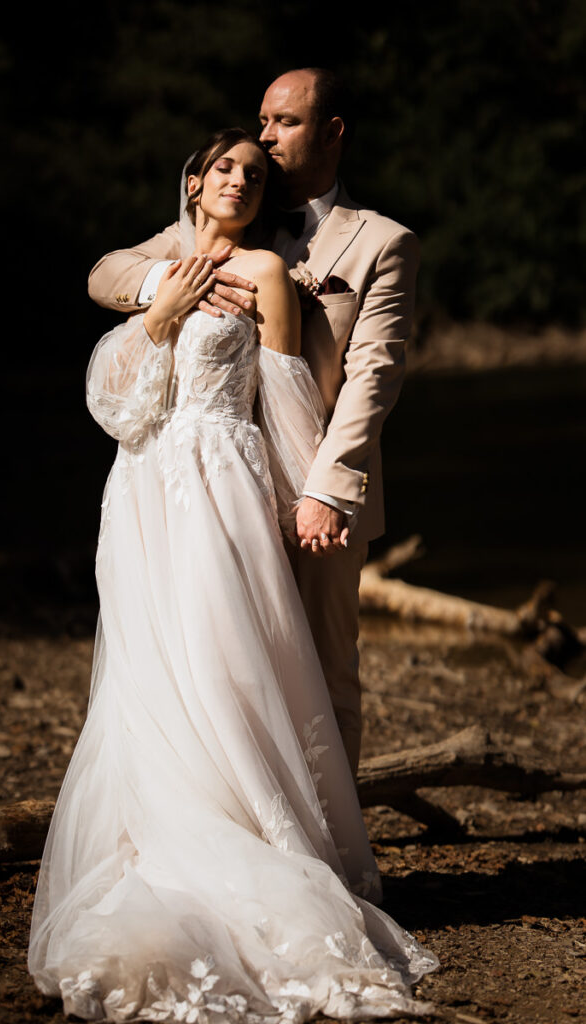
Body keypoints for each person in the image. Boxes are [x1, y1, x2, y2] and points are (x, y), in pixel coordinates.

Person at [29, 128, 437, 1021]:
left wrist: (305, 508)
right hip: (141, 490)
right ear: (194, 181)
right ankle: (146, 841)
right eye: (225, 168)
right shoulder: (158, 263)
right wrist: (161, 308)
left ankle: (252, 834)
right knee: (148, 669)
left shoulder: (267, 274)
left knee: (223, 661)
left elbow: (287, 396)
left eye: (255, 173)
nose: (241, 181)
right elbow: (118, 404)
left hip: (222, 487)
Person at [88, 68, 420, 776]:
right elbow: (106, 274)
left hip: (316, 488)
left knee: (320, 673)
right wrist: (175, 284)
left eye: (285, 122)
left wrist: (325, 491)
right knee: (217, 665)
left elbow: (372, 378)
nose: (265, 137)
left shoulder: (382, 242)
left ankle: (328, 835)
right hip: (211, 491)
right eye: (262, 120)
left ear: (332, 133)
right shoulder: (229, 215)